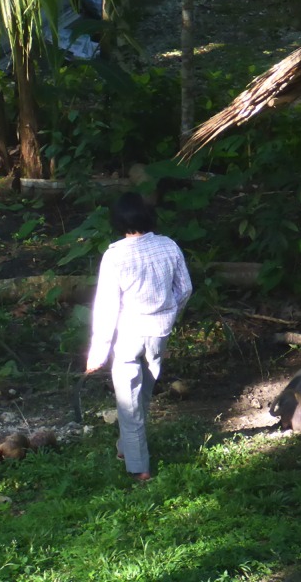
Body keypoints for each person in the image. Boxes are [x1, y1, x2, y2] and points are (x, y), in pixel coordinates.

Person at [85, 192, 192, 482]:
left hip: (129, 336)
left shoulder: (115, 255)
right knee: (141, 396)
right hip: (159, 334)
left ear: (118, 221)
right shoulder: (169, 246)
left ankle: (139, 467)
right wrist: (171, 313)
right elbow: (185, 289)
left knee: (130, 402)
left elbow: (107, 306)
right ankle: (125, 447)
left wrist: (98, 351)